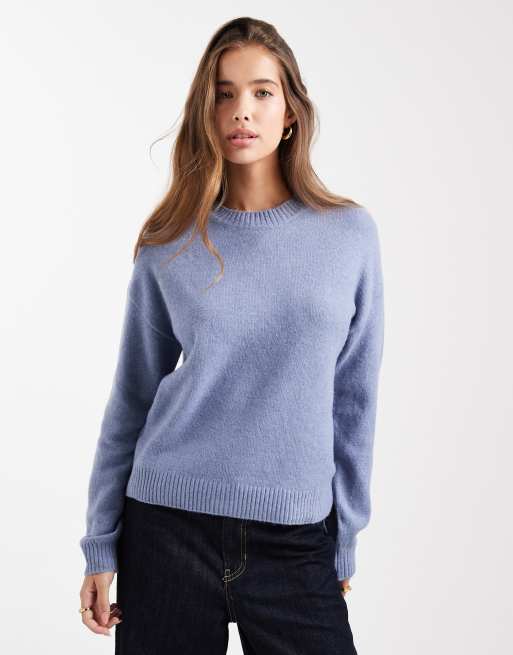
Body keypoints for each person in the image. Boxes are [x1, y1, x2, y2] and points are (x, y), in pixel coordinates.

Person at [78, 16, 385, 655]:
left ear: (291, 112)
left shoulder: (348, 236)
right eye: (224, 94)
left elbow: (354, 398)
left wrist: (345, 535)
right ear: (206, 111)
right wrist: (101, 543)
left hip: (296, 536)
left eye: (262, 91)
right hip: (167, 529)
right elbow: (132, 397)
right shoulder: (169, 243)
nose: (241, 110)